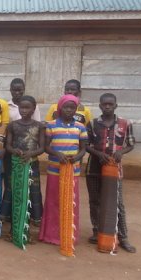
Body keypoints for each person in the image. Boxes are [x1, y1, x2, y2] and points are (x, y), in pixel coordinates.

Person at [86, 93, 136, 253]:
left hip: (115, 170)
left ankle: (123, 237)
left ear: (115, 105)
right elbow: (86, 145)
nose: (107, 106)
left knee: (118, 203)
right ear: (100, 106)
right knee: (95, 201)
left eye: (110, 104)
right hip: (94, 168)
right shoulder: (93, 123)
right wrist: (98, 154)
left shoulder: (125, 123)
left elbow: (131, 143)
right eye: (104, 104)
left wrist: (122, 152)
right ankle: (97, 232)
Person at [39, 94, 87, 246]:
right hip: (55, 169)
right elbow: (46, 147)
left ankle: (68, 233)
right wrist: (56, 153)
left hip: (73, 170)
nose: (69, 110)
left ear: (76, 110)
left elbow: (83, 149)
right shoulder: (51, 125)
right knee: (53, 201)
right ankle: (50, 235)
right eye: (66, 107)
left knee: (70, 201)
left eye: (72, 108)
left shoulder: (80, 127)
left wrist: (77, 158)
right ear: (60, 108)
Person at [3, 95, 45, 230]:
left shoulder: (39, 126)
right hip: (16, 163)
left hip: (32, 164)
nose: (24, 110)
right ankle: (13, 221)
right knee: (14, 189)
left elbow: (42, 147)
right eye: (22, 107)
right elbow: (7, 146)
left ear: (33, 109)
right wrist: (15, 151)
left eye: (27, 108)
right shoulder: (12, 125)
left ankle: (34, 220)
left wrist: (30, 154)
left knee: (33, 191)